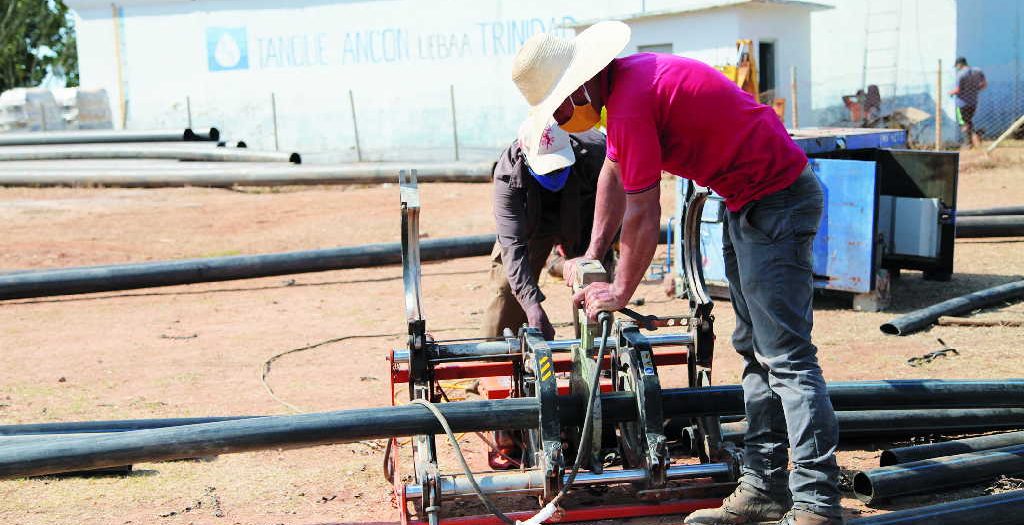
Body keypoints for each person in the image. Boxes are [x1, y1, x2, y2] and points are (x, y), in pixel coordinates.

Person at [511, 21, 842, 525]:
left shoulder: (631, 100)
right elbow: (614, 175)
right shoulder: (625, 93)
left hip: (776, 202)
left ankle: (817, 504)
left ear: (578, 87)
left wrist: (620, 290)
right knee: (754, 351)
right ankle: (765, 488)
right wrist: (592, 253)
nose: (561, 118)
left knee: (787, 359)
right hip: (747, 202)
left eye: (558, 107)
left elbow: (644, 210)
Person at [481, 120, 607, 341]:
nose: (554, 172)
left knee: (593, 283)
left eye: (559, 166)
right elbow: (513, 247)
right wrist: (531, 306)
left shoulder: (597, 155)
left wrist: (593, 255)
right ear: (525, 152)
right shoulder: (508, 174)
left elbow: (616, 209)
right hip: (531, 224)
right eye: (547, 167)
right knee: (507, 287)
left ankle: (597, 358)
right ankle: (497, 361)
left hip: (583, 218)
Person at [950, 57, 987, 149]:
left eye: (957, 66)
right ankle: (977, 134)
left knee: (963, 123)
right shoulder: (978, 71)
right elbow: (984, 84)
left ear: (960, 64)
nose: (957, 68)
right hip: (973, 103)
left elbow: (958, 90)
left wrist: (951, 93)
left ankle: (968, 144)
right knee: (968, 122)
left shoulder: (960, 75)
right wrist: (975, 89)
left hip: (961, 104)